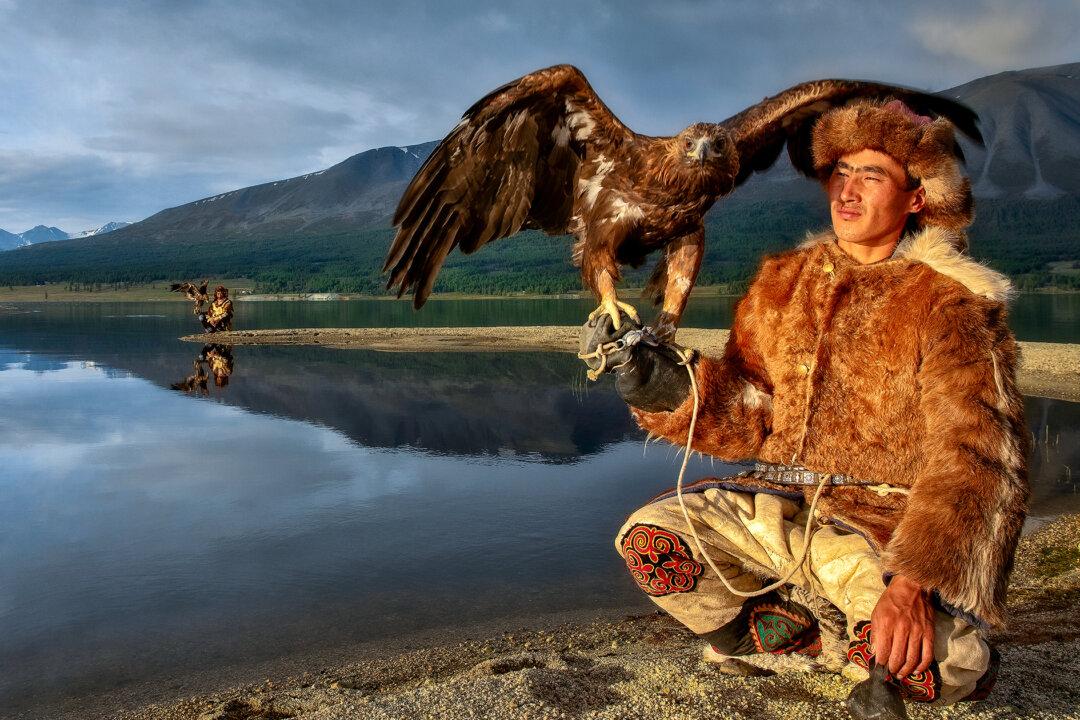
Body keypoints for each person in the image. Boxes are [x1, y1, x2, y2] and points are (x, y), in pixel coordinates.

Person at [580, 99, 1028, 716]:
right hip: (778, 506)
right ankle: (795, 634)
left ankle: (858, 636)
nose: (847, 190)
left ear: (917, 197)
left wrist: (912, 585)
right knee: (652, 541)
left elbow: (977, 458)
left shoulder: (951, 304)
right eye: (840, 172)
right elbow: (748, 409)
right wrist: (658, 384)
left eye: (871, 175)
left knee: (940, 666)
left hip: (883, 526)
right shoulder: (782, 282)